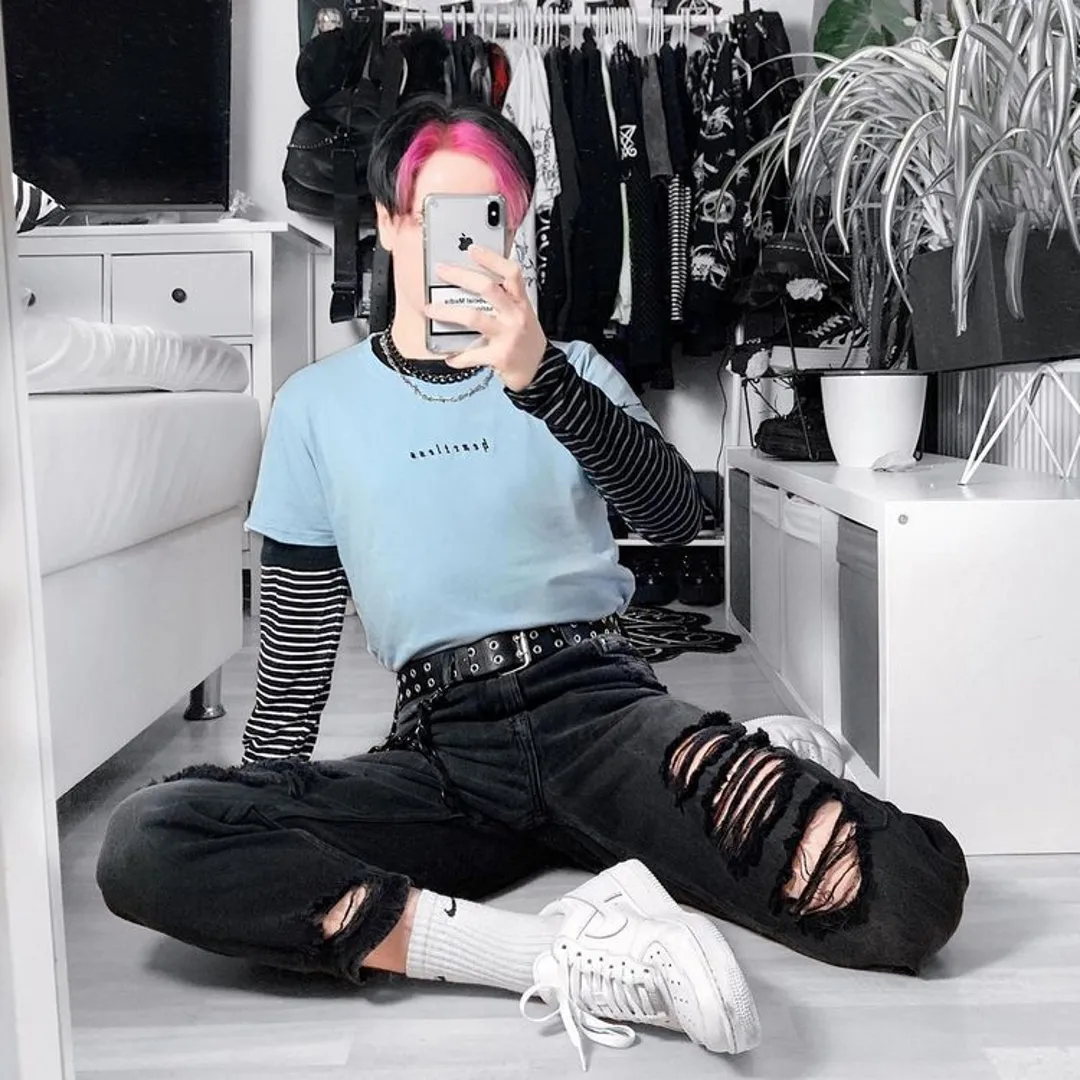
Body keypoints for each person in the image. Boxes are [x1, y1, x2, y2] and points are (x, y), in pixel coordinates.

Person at [96, 97, 969, 1070]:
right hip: (440, 758)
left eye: (488, 220)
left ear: (513, 232)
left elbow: (674, 517)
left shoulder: (575, 369)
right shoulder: (316, 406)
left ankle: (725, 768)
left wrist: (543, 379)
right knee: (148, 839)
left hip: (604, 715)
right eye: (434, 216)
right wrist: (264, 797)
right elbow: (297, 650)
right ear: (387, 222)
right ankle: (562, 955)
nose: (461, 248)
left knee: (909, 890)